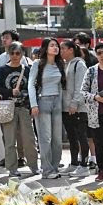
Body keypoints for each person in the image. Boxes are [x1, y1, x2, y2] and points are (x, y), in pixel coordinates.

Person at [0, 42, 38, 177]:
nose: (14, 56)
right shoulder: (2, 70)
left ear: (22, 54)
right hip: (8, 109)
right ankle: (12, 168)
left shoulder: (27, 69)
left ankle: (34, 166)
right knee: (9, 140)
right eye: (12, 53)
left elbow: (32, 88)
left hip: (24, 108)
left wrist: (33, 106)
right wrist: (10, 92)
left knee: (29, 139)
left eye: (17, 53)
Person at [29, 37, 66, 179]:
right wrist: (34, 104)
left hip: (57, 101)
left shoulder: (59, 64)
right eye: (52, 45)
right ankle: (47, 170)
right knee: (45, 138)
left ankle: (54, 168)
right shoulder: (37, 64)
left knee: (57, 138)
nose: (55, 48)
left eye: (56, 45)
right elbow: (31, 84)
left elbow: (61, 86)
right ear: (45, 48)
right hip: (42, 101)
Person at [79, 42, 103, 182]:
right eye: (99, 53)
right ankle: (102, 169)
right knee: (99, 143)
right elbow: (83, 92)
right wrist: (96, 97)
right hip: (96, 113)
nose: (102, 55)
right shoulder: (91, 71)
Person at [60, 40, 89, 174]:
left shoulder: (79, 64)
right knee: (71, 136)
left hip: (78, 107)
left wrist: (75, 103)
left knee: (81, 136)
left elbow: (80, 86)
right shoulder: (66, 64)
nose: (61, 52)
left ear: (71, 50)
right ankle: (74, 162)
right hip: (66, 107)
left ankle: (84, 165)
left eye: (63, 49)